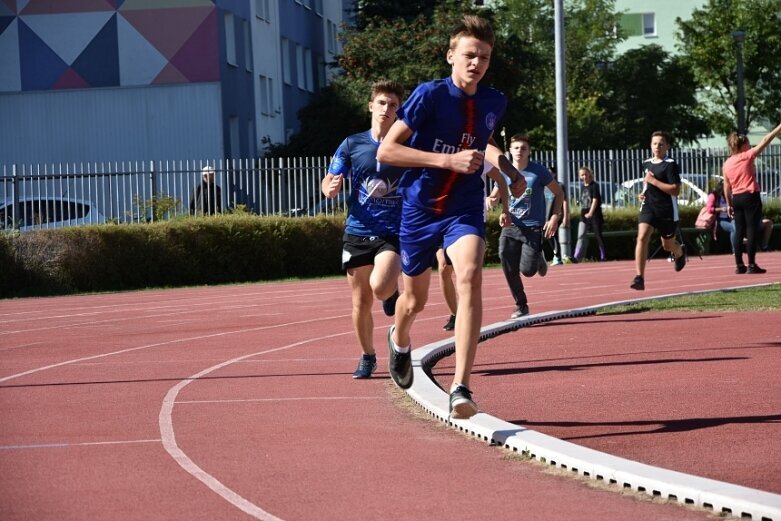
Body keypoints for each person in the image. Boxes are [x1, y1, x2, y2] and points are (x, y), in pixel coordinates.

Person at [376, 15, 525, 419]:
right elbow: (386, 152)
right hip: (419, 210)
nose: (476, 63)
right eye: (469, 55)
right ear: (451, 57)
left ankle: (461, 387)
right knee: (413, 301)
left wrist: (508, 171)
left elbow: (483, 143)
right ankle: (399, 338)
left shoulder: (494, 101)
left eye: (484, 57)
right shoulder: (429, 96)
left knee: (470, 273)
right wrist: (446, 159)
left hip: (462, 207)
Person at [320, 79, 406, 379]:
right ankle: (368, 356)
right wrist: (330, 188)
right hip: (357, 230)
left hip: (392, 231)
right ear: (371, 105)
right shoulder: (352, 144)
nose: (386, 108)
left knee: (380, 287)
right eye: (381, 102)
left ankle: (392, 290)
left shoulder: (406, 144)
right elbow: (329, 179)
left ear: (399, 110)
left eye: (393, 104)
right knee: (360, 302)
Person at [489, 134, 564, 318]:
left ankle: (538, 256)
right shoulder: (504, 172)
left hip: (533, 227)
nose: (519, 151)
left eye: (523, 148)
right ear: (510, 151)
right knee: (506, 262)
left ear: (529, 151)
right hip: (510, 226)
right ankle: (521, 304)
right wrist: (491, 201)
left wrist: (554, 217)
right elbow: (495, 194)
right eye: (516, 148)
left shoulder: (538, 172)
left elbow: (559, 193)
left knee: (527, 271)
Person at [630, 131, 686, 290]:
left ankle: (679, 252)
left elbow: (675, 190)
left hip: (666, 211)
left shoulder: (670, 164)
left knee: (667, 246)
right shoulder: (646, 163)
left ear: (667, 146)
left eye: (661, 144)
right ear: (650, 145)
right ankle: (639, 277)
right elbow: (647, 184)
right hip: (648, 207)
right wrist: (643, 193)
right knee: (641, 237)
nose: (657, 147)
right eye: (655, 143)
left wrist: (653, 181)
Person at [722, 122, 781, 274]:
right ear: (743, 146)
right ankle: (752, 265)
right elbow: (766, 139)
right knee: (752, 230)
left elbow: (726, 186)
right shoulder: (747, 156)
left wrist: (729, 204)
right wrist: (779, 128)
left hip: (737, 198)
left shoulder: (727, 163)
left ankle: (739, 265)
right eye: (748, 143)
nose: (750, 145)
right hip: (750, 196)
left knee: (739, 231)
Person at [573, 166, 606, 262]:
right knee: (581, 235)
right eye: (582, 175)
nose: (584, 176)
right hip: (583, 215)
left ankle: (603, 255)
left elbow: (595, 200)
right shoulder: (582, 187)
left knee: (598, 235)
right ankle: (576, 256)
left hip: (595, 215)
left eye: (586, 174)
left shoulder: (594, 186)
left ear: (589, 174)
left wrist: (591, 213)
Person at [545, 165, 570, 266]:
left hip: (557, 215)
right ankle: (556, 256)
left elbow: (565, 201)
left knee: (552, 234)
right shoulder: (544, 186)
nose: (549, 174)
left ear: (554, 174)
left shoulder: (559, 185)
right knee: (548, 235)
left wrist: (565, 216)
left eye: (551, 172)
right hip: (546, 216)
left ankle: (557, 256)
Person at [705, 181, 738, 254]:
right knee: (733, 229)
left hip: (730, 218)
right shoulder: (713, 196)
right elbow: (709, 209)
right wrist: (721, 209)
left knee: (737, 226)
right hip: (719, 220)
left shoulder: (728, 196)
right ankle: (735, 250)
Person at [436, 247, 458, 331]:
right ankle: (455, 314)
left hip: (460, 234)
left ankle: (468, 312)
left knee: (466, 270)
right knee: (444, 266)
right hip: (438, 234)